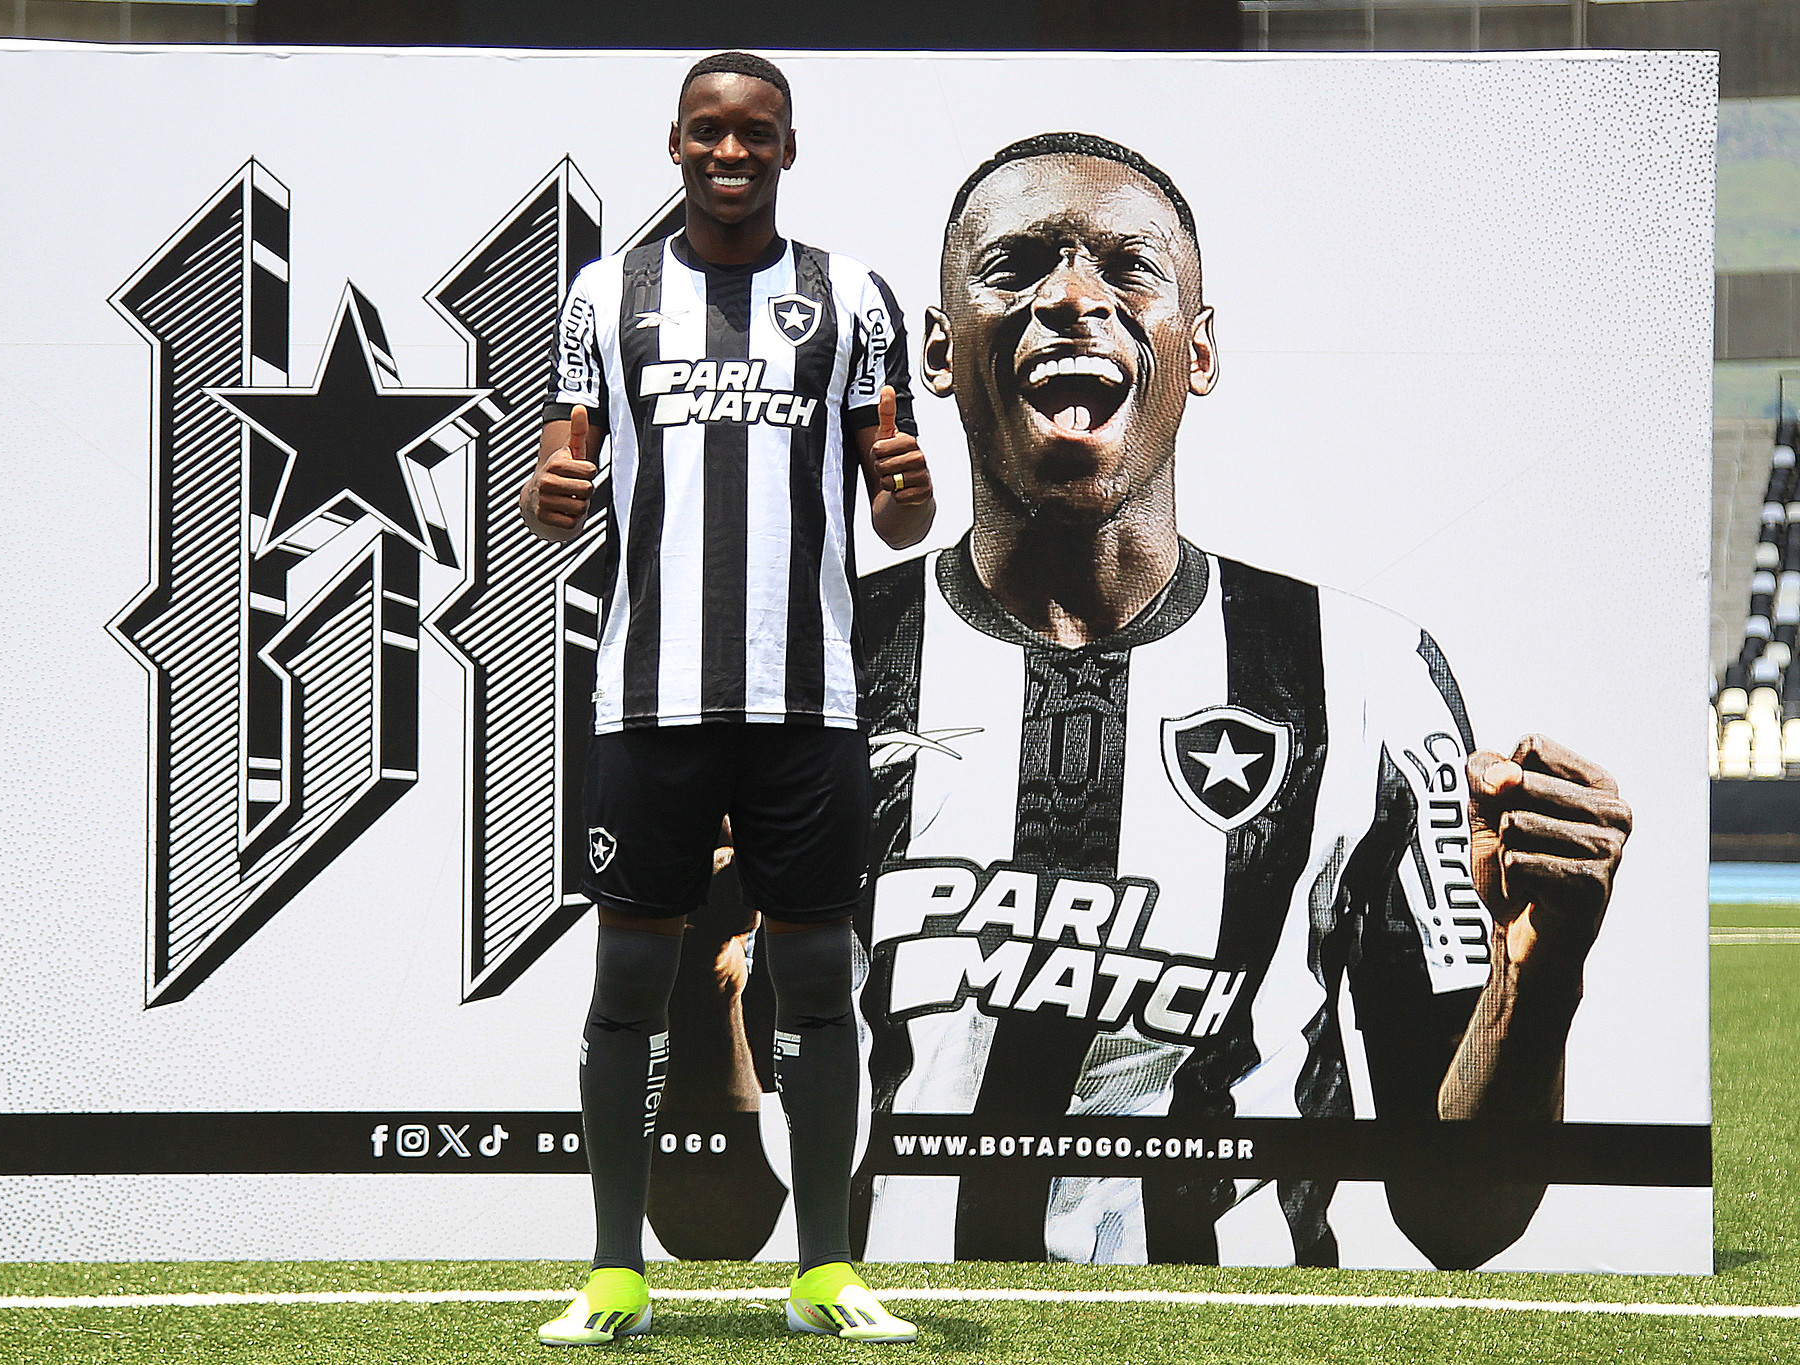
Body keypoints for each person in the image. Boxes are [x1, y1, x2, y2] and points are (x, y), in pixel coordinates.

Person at [853, 132, 1633, 1269]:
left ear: (1198, 351)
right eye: (1015, 264)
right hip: (907, 1340)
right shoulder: (824, 673)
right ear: (937, 347)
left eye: (1127, 268)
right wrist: (699, 970)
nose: (1072, 296)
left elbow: (1458, 1216)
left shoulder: (1366, 677)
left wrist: (1537, 968)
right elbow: (700, 1217)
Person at [519, 52, 935, 1344]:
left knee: (816, 977)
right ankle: (611, 1273)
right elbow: (559, 475)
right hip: (648, 706)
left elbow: (899, 500)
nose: (731, 153)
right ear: (675, 144)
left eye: (755, 135)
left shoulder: (848, 295)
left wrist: (911, 497)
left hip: (806, 705)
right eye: (709, 133)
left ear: (789, 150)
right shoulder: (607, 298)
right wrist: (548, 499)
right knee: (629, 982)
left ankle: (821, 1270)